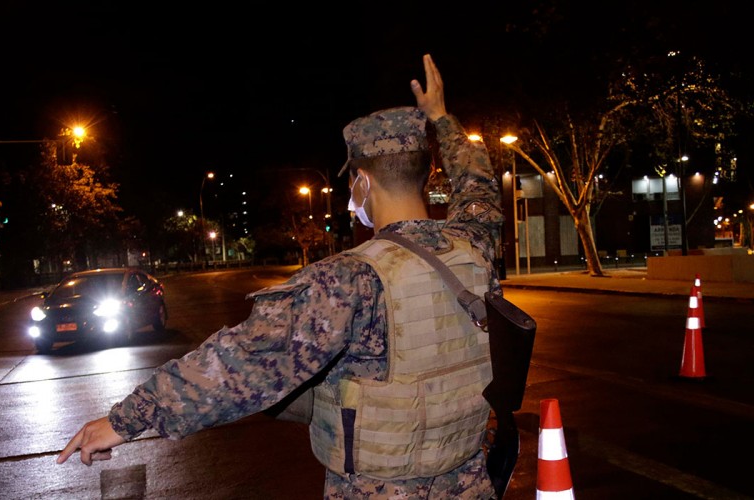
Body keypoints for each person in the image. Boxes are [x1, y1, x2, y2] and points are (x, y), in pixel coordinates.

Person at [57, 53, 505, 499]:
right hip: (470, 484)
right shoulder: (474, 248)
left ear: (362, 183)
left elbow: (239, 362)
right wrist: (442, 118)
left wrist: (125, 420)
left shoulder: (348, 280)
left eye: (352, 185)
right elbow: (478, 185)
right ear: (425, 174)